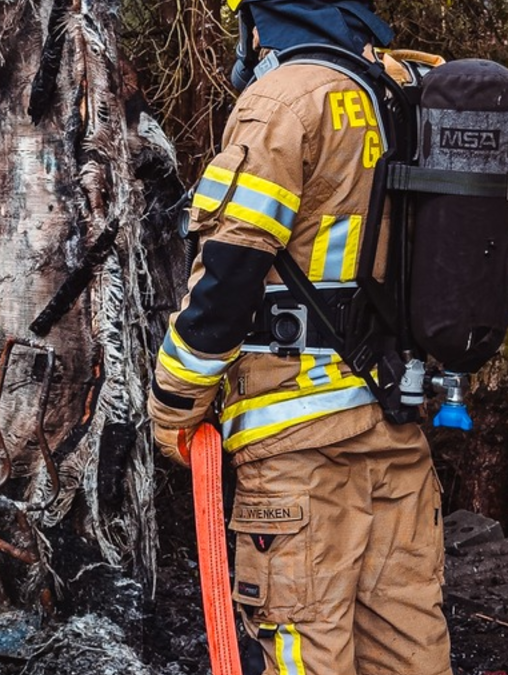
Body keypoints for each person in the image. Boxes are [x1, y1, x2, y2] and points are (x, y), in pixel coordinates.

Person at [147, 1, 451, 674]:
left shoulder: (281, 103)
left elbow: (226, 282)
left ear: (262, 19)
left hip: (299, 457)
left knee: (301, 656)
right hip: (396, 432)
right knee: (409, 656)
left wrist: (172, 402)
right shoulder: (401, 92)